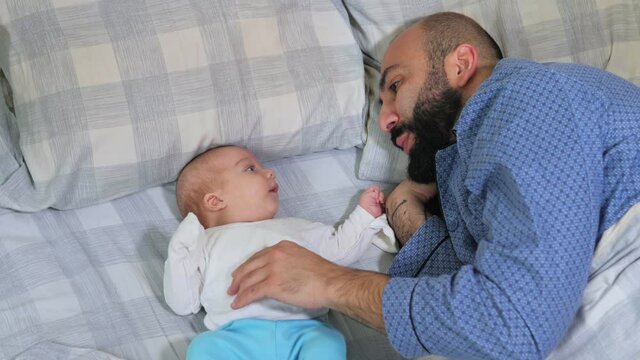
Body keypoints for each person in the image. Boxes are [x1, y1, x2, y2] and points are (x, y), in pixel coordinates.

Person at [227, 11, 640, 360]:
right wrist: (405, 209)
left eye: (394, 86)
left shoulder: (523, 97)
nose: (384, 121)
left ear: (460, 65)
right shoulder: (467, 160)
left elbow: (511, 324)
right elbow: (463, 311)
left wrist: (327, 282)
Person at [163, 145, 396, 360]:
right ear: (215, 200)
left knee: (329, 343)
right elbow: (183, 303)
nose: (270, 172)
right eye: (250, 169)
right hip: (235, 337)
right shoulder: (204, 243)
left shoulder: (297, 227)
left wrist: (365, 214)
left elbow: (340, 250)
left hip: (305, 330)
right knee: (203, 348)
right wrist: (179, 253)